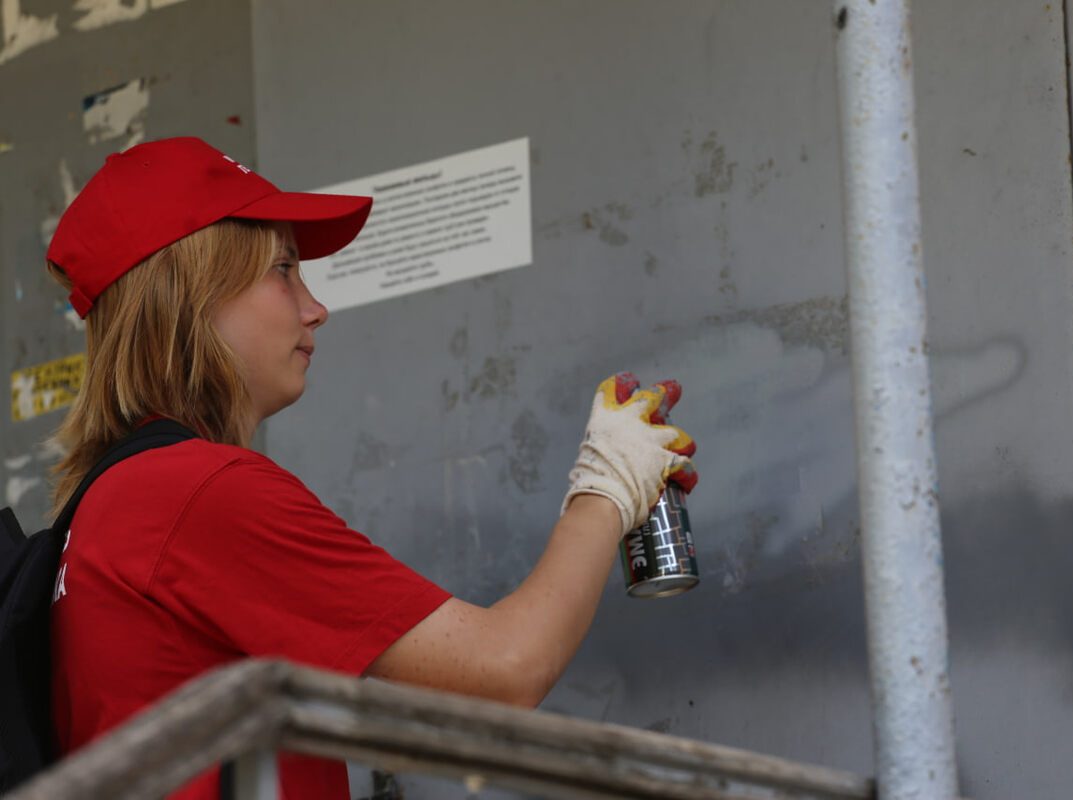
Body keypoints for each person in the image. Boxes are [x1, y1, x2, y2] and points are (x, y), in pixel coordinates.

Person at [43, 136, 698, 799]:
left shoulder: (112, 500)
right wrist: (608, 482)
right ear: (191, 295)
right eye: (283, 269)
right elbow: (504, 672)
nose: (315, 307)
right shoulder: (196, 494)